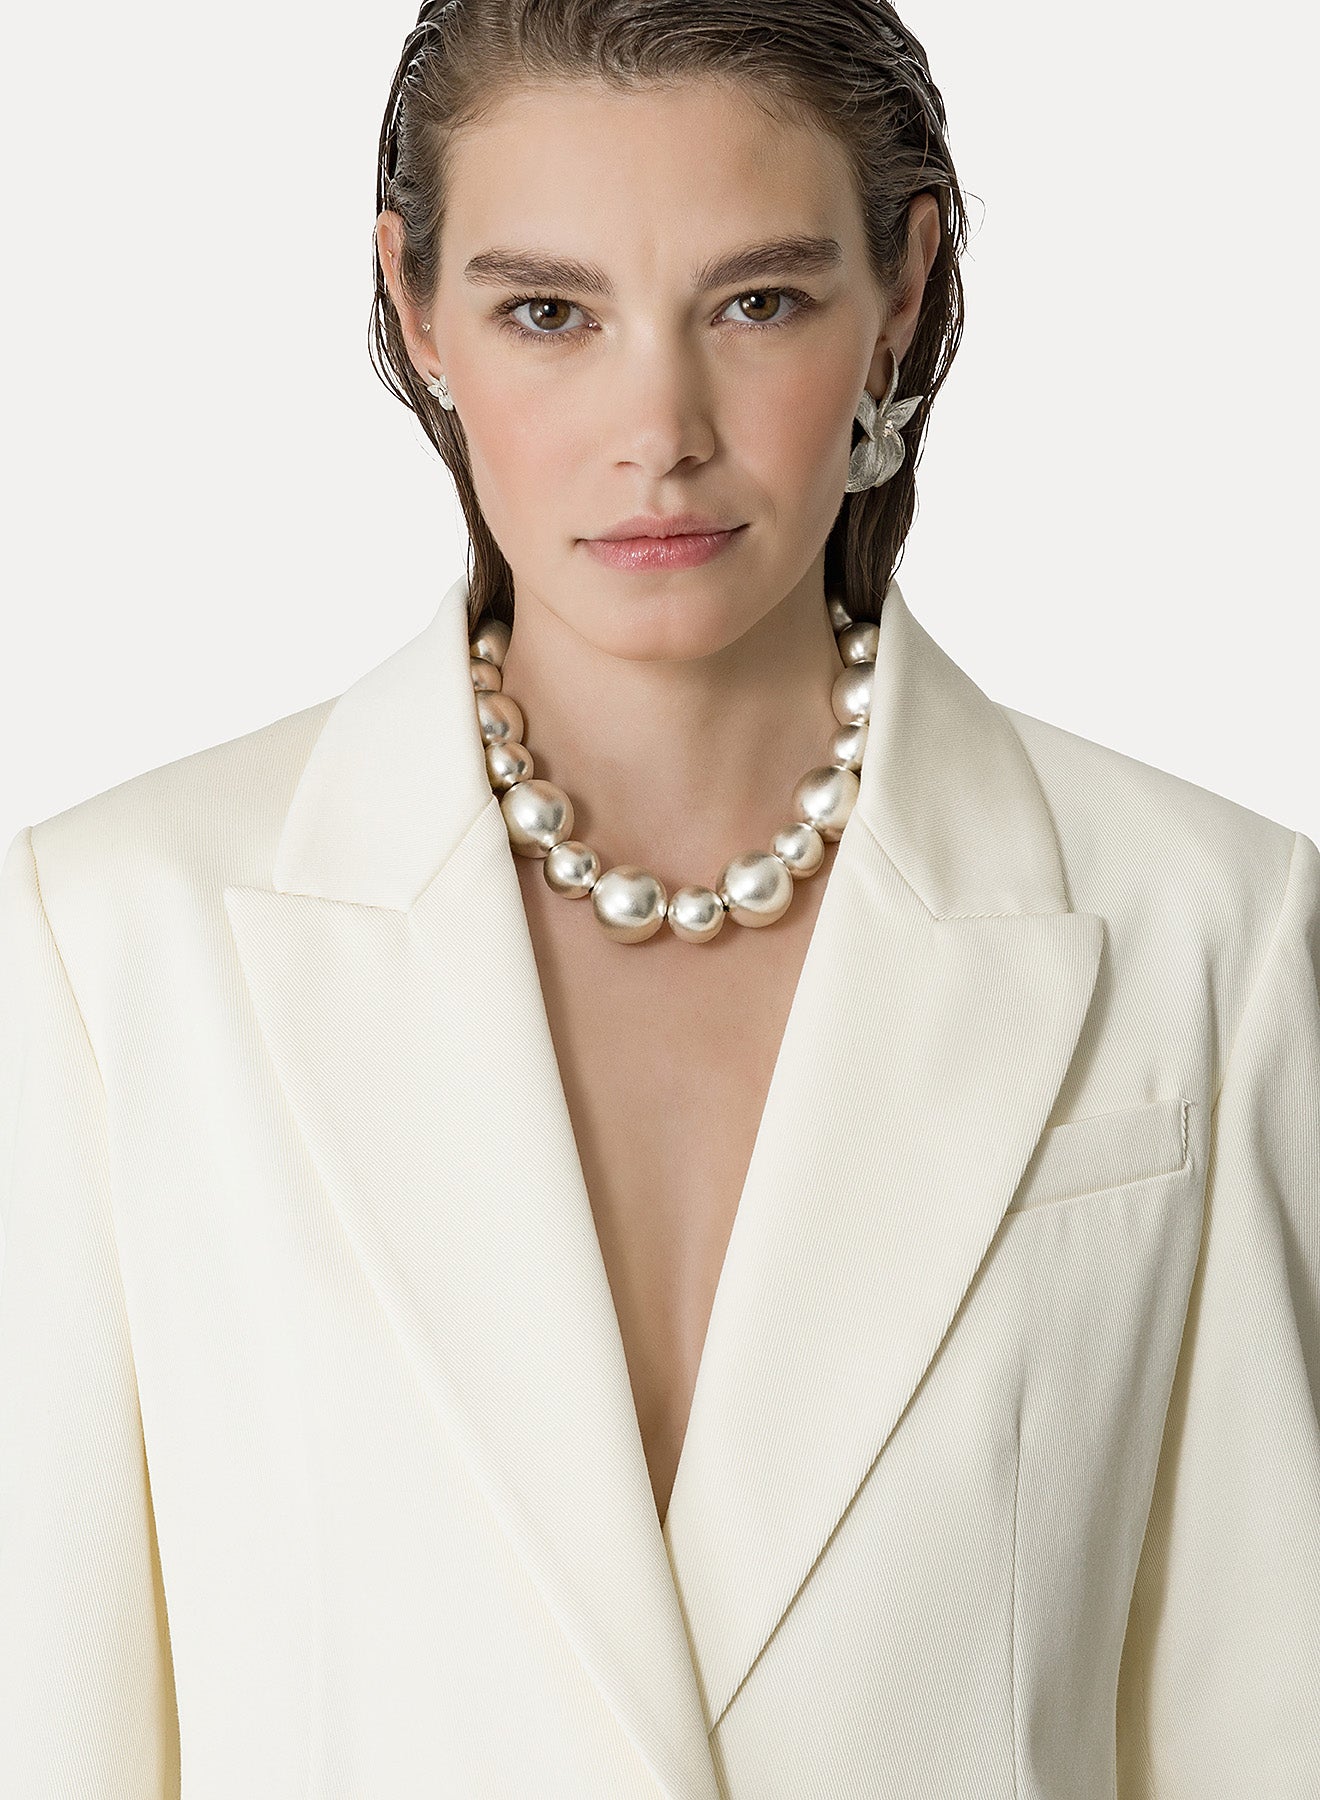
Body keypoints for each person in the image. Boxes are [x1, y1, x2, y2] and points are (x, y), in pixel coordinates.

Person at [1, 2, 1316, 1796]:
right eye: (550, 313)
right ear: (416, 309)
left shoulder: (1212, 931)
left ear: (902, 291)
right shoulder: (113, 943)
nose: (660, 432)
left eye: (756, 301)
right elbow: (58, 1730)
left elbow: (1265, 1727)